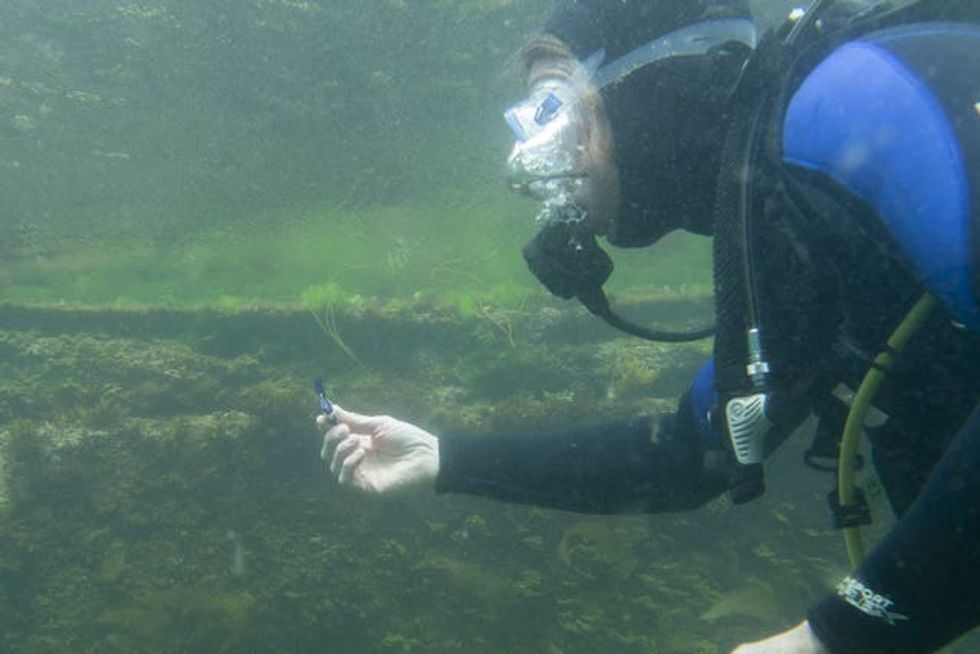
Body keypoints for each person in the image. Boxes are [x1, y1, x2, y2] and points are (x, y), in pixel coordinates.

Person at [318, 1, 980, 651]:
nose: (540, 161)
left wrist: (835, 638)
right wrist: (445, 458)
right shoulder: (783, 199)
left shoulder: (852, 98)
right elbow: (690, 454)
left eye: (563, 114)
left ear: (653, 86)